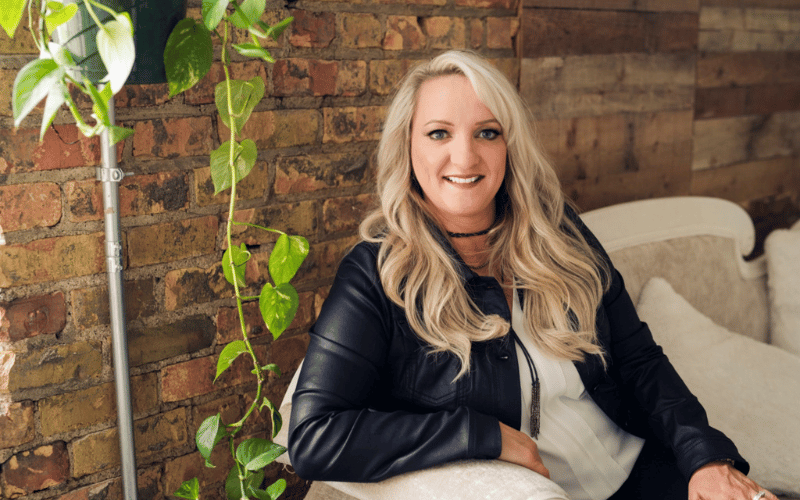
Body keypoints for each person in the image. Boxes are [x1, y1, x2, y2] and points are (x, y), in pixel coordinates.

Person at [287, 50, 776, 500]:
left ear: (509, 145)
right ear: (407, 145)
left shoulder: (556, 230)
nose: (465, 157)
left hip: (645, 470)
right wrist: (482, 435)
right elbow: (313, 436)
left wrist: (705, 458)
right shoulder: (375, 274)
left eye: (488, 132)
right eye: (439, 133)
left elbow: (639, 361)